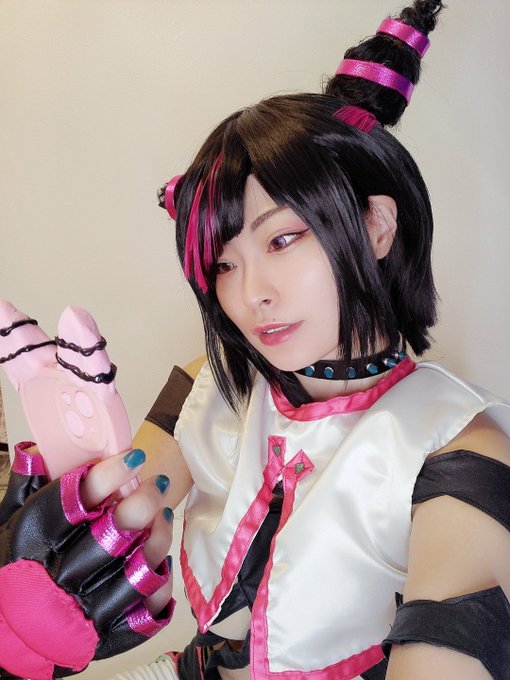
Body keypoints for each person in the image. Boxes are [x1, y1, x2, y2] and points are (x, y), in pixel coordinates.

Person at [1, 1, 510, 679]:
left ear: (377, 227)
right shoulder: (208, 385)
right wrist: (36, 601)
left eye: (282, 239)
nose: (249, 295)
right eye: (224, 263)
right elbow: (124, 510)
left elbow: (449, 651)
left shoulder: (457, 451)